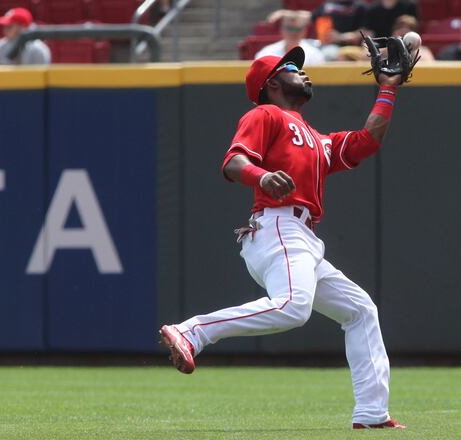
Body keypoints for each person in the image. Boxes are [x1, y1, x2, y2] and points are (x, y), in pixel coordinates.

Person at [159, 46, 407, 430]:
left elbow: (366, 141)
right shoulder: (266, 113)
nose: (304, 72)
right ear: (272, 82)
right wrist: (262, 176)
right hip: (277, 225)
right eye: (293, 67)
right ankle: (193, 332)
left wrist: (388, 89)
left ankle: (372, 413)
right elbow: (233, 161)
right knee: (293, 307)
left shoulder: (316, 137)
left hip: (303, 238)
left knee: (361, 310)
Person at [255, 10, 325, 65]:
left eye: (298, 29)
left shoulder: (314, 54)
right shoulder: (268, 52)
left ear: (304, 31)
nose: (293, 33)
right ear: (281, 30)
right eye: (289, 28)